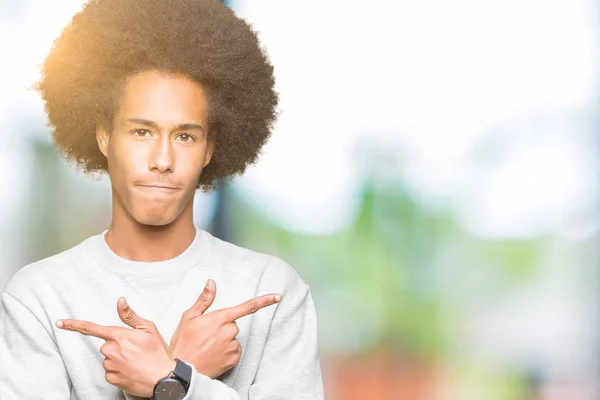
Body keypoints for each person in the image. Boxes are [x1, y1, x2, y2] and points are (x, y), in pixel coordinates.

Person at [0, 0, 324, 399]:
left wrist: (173, 379)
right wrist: (177, 377)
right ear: (104, 136)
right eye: (142, 132)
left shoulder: (272, 292)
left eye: (185, 136)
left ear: (208, 150)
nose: (163, 160)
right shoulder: (39, 298)